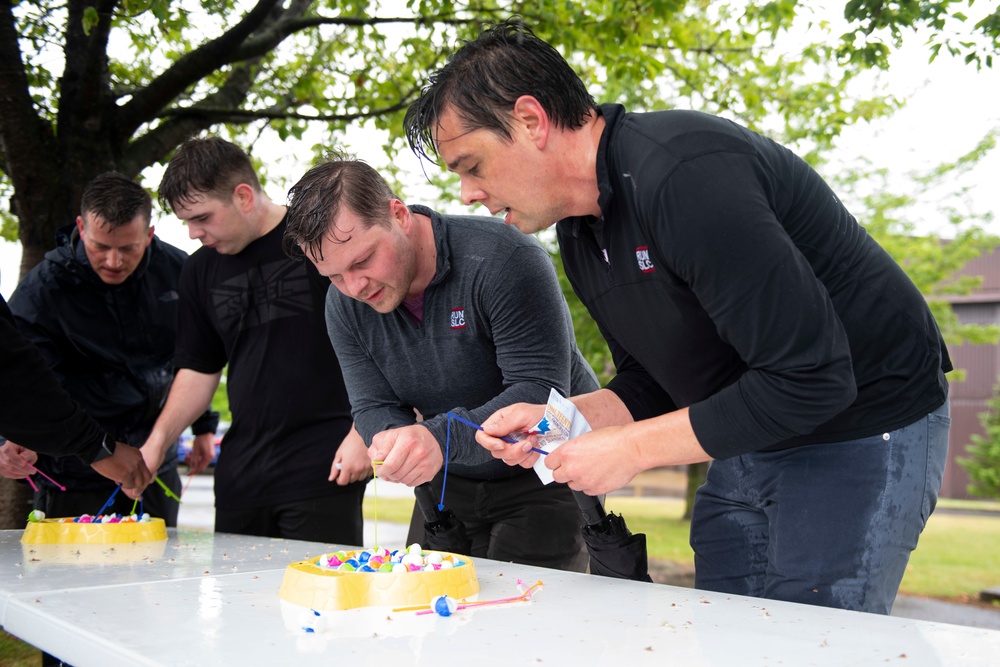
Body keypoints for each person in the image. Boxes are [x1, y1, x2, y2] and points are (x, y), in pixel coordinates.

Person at [402, 19, 952, 614]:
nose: (466, 195)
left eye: (471, 165)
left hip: (863, 425)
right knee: (722, 633)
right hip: (753, 432)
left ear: (531, 121)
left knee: (809, 641)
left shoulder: (684, 175)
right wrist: (566, 420)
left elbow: (811, 377)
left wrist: (630, 449)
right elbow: (654, 379)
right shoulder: (580, 233)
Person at [283, 156, 597, 570]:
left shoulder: (505, 258)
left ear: (399, 214)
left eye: (362, 261)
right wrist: (394, 445)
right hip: (449, 473)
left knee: (525, 618)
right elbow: (372, 407)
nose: (354, 287)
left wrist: (434, 438)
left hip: (546, 465)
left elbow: (539, 390)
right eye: (334, 276)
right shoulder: (343, 305)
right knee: (428, 611)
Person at [139, 137, 369, 543]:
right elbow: (198, 368)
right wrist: (157, 444)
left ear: (243, 196)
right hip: (240, 477)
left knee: (318, 599)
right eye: (186, 222)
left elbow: (381, 342)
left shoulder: (315, 241)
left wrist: (364, 432)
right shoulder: (198, 271)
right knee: (237, 603)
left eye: (202, 218)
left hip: (323, 468)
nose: (193, 233)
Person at [0, 172, 214, 525]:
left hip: (153, 461)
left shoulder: (181, 271)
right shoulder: (43, 290)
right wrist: (9, 439)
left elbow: (198, 353)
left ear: (149, 234)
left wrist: (204, 427)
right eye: (101, 246)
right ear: (81, 228)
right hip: (76, 469)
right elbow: (17, 375)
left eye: (128, 248)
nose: (114, 261)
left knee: (158, 570)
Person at [0, 293, 152, 493]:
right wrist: (94, 445)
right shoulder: (42, 289)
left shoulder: (171, 271)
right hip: (70, 470)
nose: (114, 261)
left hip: (127, 455)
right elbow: (10, 366)